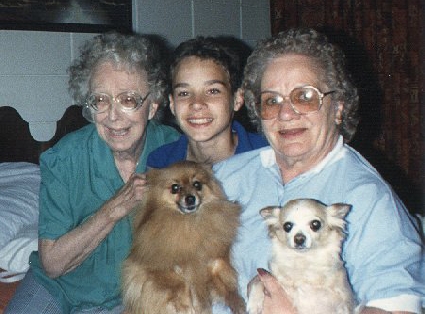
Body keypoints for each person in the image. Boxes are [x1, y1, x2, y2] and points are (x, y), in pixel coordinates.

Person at [213, 28, 425, 313]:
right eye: (271, 101)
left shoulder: (368, 197)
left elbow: (395, 306)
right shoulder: (225, 178)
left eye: (304, 97)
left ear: (338, 107)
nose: (286, 113)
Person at [5, 32, 180, 314]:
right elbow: (52, 264)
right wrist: (113, 209)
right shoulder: (64, 159)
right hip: (58, 287)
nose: (113, 115)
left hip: (132, 293)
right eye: (100, 100)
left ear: (153, 106)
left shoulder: (175, 151)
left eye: (128, 100)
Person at [147, 36, 268, 168]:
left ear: (237, 99)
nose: (197, 103)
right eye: (184, 93)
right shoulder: (160, 164)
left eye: (212, 91)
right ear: (172, 104)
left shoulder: (267, 157)